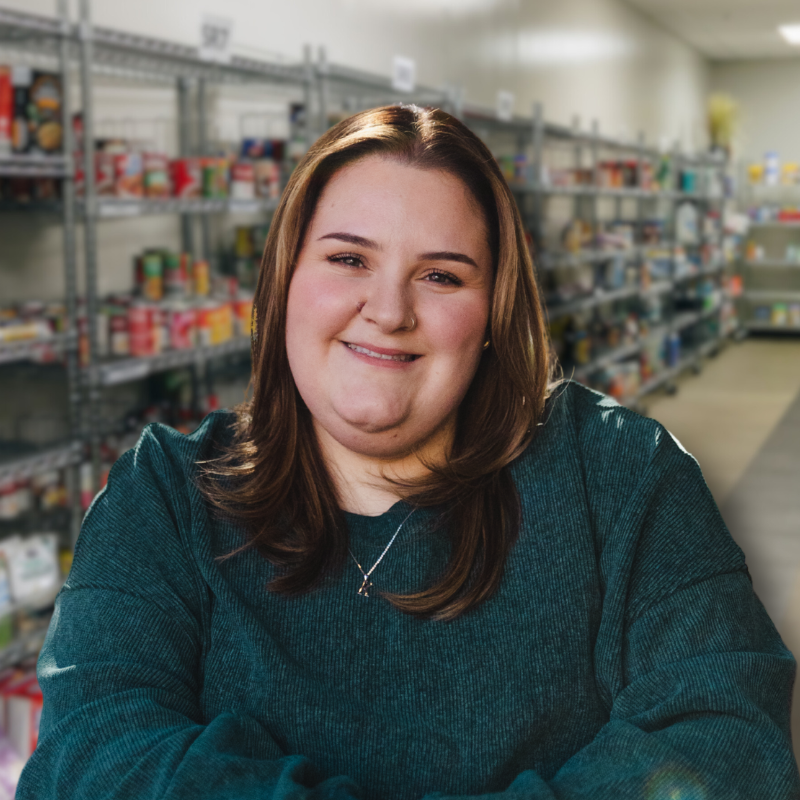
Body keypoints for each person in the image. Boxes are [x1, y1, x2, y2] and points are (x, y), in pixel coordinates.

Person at [17, 105, 800, 800]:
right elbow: (94, 755)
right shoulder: (167, 495)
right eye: (349, 259)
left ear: (493, 310)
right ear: (285, 279)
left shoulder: (623, 476)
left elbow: (730, 739)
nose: (388, 310)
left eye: (440, 274)